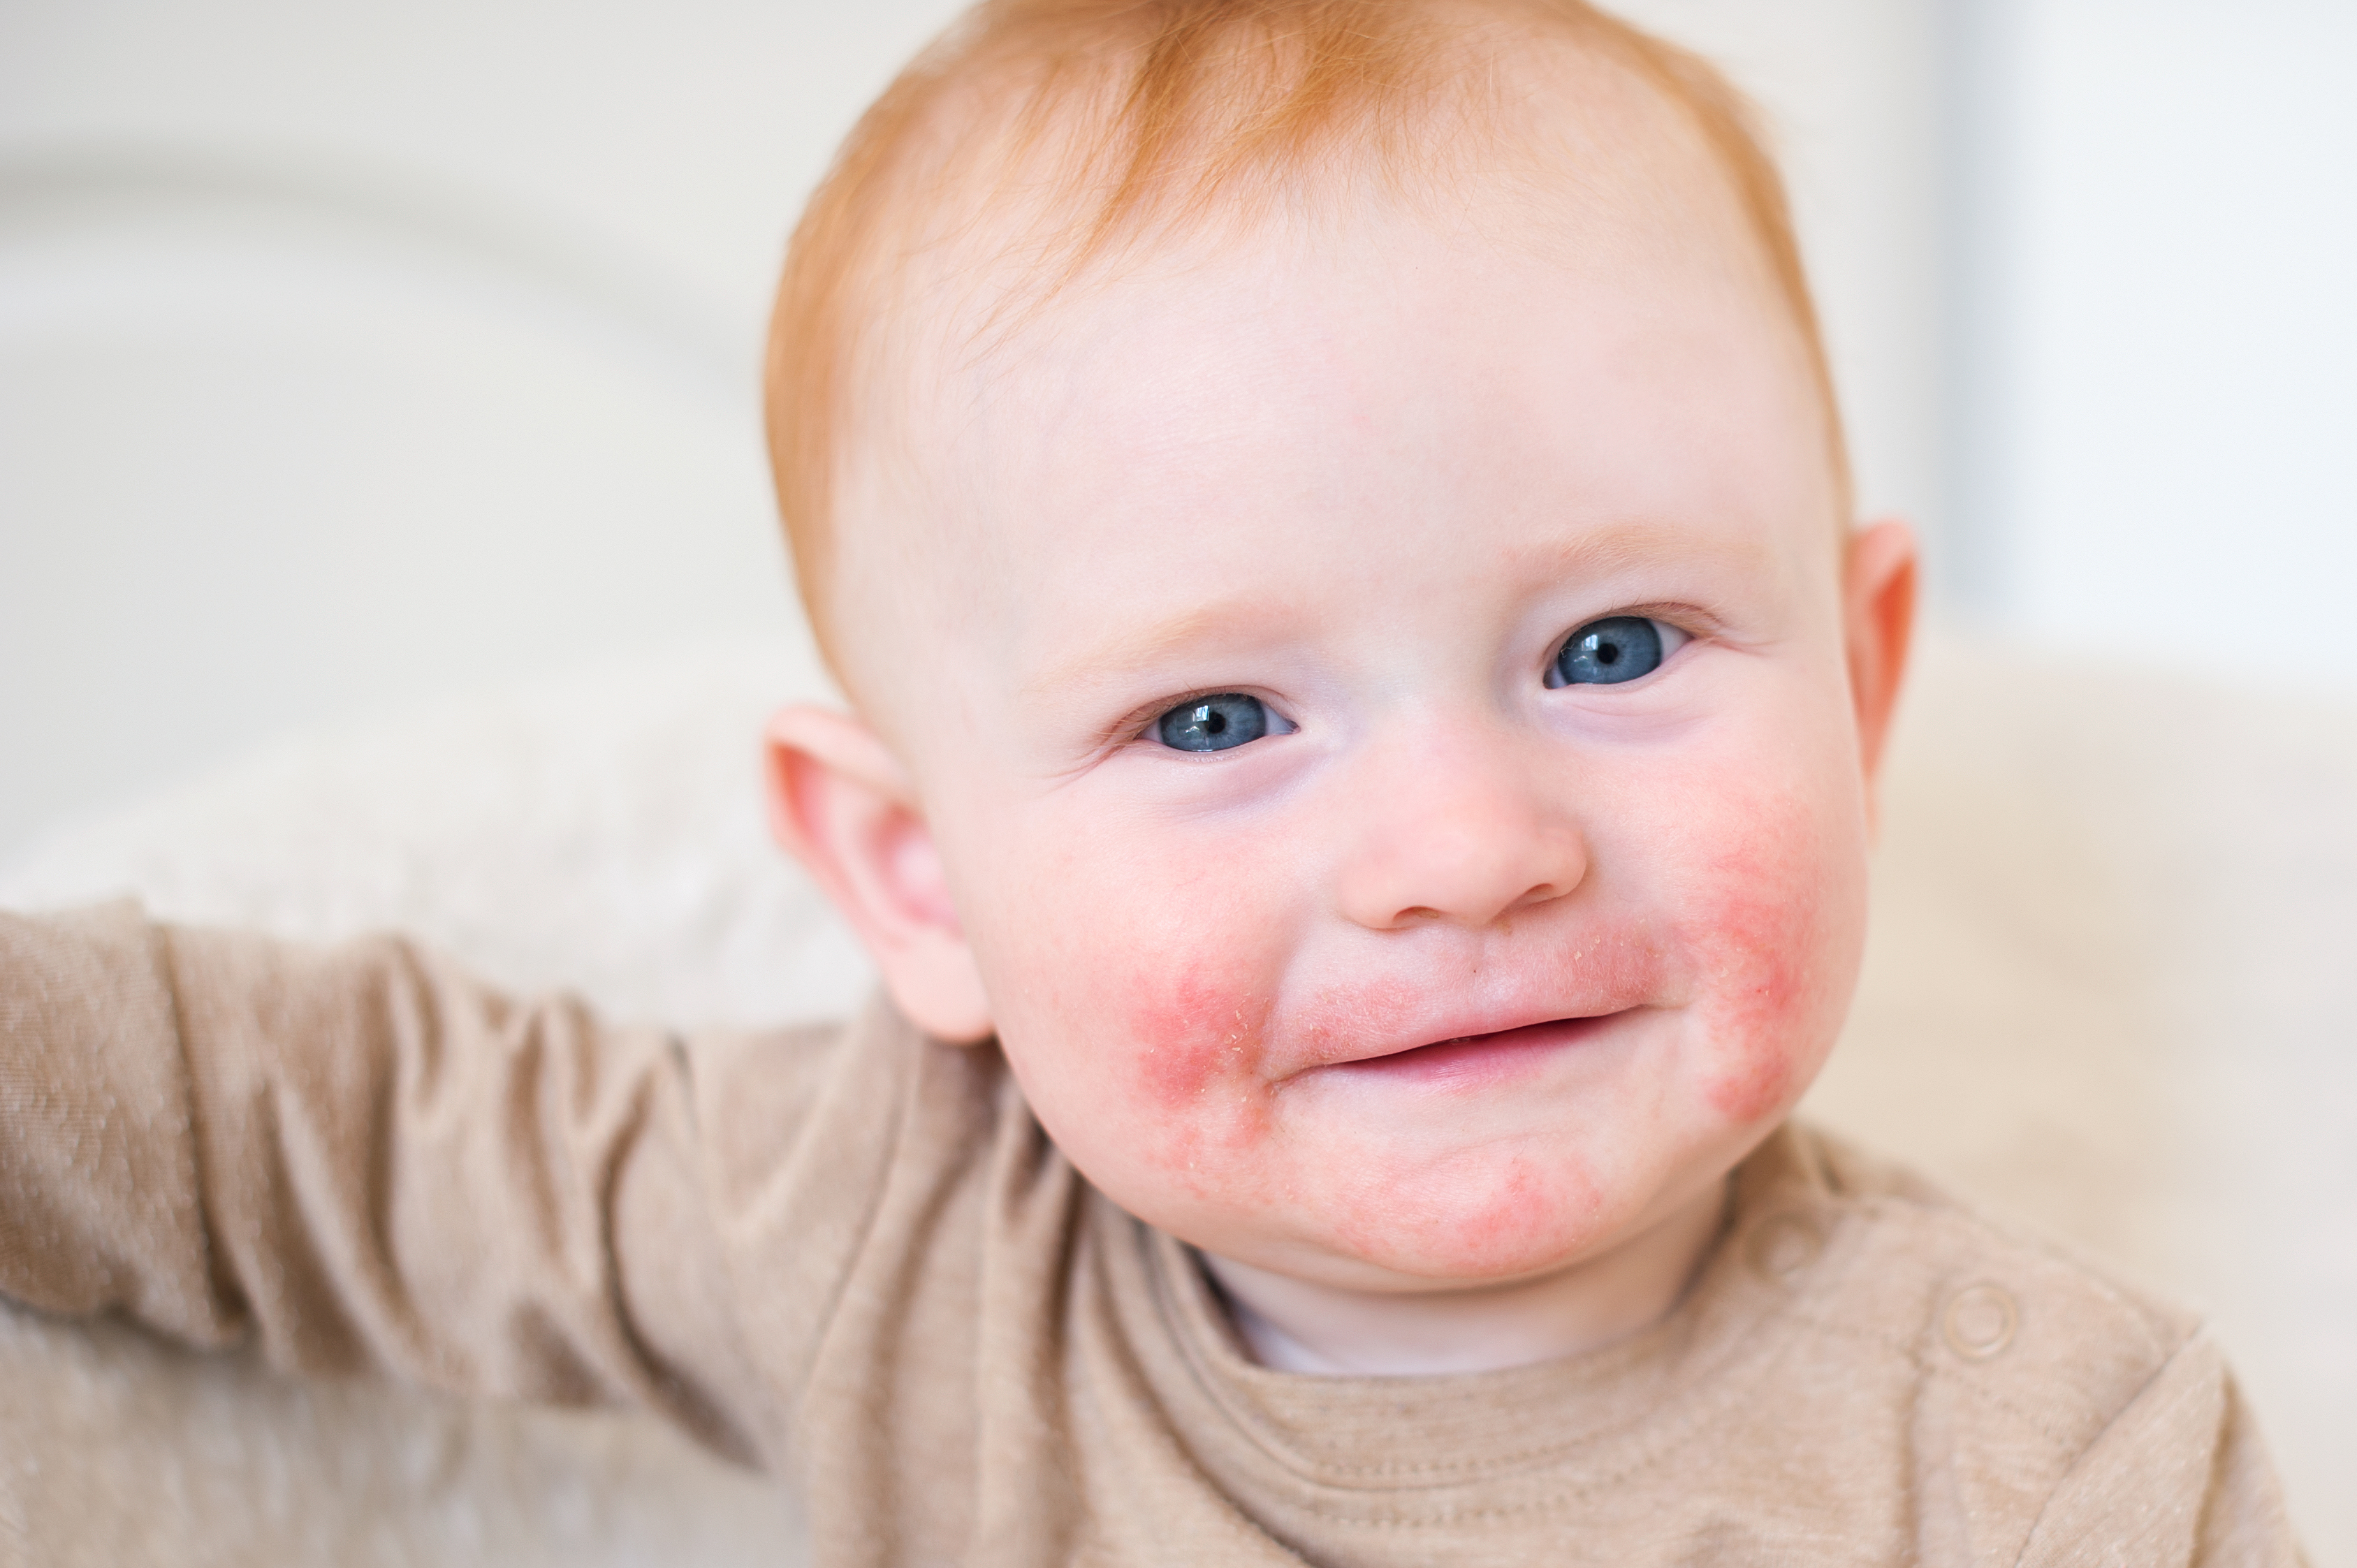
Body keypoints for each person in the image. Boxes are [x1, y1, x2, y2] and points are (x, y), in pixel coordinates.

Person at [0, 0, 2305, 1560]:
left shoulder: (2045, 1456)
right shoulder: (889, 1226)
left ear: (1865, 690)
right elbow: (301, 1125)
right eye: (1218, 723)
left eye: (1611, 650)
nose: (1468, 852)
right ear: (916, 882)